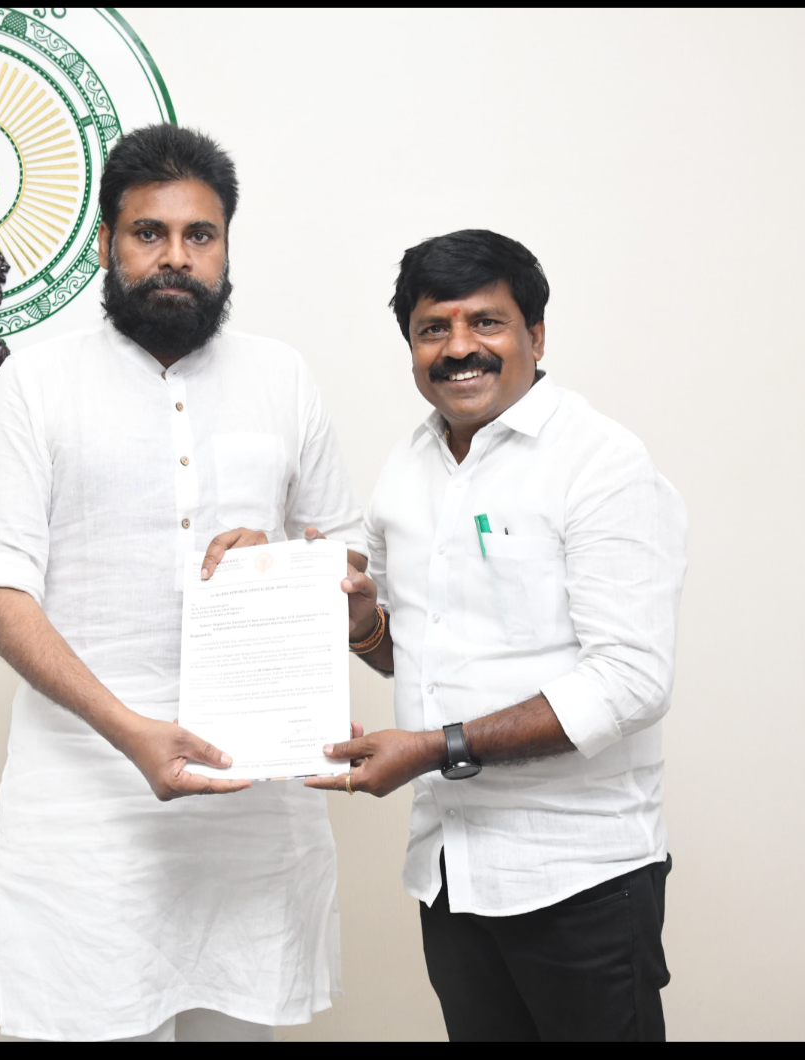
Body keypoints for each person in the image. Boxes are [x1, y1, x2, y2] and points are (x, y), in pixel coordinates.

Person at [0, 125, 364, 1041]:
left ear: (225, 248)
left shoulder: (282, 376)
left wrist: (292, 566)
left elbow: (346, 553)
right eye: (149, 233)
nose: (176, 256)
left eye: (199, 235)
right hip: (86, 812)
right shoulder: (35, 383)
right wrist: (131, 732)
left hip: (253, 814)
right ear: (107, 244)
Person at [307, 230, 687, 1041]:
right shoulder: (407, 468)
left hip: (580, 877)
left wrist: (434, 748)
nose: (458, 348)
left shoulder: (601, 462)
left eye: (486, 322)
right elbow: (416, 653)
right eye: (432, 329)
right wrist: (361, 624)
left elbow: (631, 682)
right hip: (451, 874)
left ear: (536, 335)